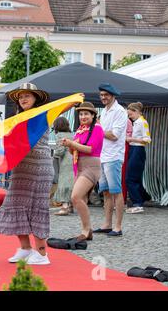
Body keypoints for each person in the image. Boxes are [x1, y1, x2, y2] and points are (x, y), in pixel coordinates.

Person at [0, 83, 53, 265]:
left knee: (36, 208)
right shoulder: (16, 118)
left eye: (28, 95)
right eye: (21, 97)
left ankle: (42, 254)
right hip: (21, 168)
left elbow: (22, 138)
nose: (24, 99)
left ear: (36, 98)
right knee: (15, 204)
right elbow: (11, 143)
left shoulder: (40, 115)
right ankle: (25, 248)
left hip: (39, 168)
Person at [61, 103, 104, 241]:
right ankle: (86, 230)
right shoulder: (81, 129)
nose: (83, 116)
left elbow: (90, 149)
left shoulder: (97, 128)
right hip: (79, 166)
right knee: (82, 199)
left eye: (86, 114)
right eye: (80, 114)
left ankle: (86, 230)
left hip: (91, 166)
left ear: (93, 115)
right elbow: (74, 150)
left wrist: (72, 144)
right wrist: (68, 145)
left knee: (75, 197)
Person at [94, 83, 128, 237]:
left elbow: (114, 135)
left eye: (106, 95)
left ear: (113, 95)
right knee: (106, 192)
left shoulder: (120, 111)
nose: (103, 97)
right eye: (101, 95)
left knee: (116, 192)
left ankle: (118, 227)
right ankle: (107, 224)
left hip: (113, 157)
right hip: (103, 156)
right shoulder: (105, 111)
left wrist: (99, 129)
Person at [125, 102, 151, 214]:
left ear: (136, 112)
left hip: (138, 150)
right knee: (136, 177)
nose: (129, 117)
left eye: (130, 115)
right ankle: (144, 197)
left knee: (130, 178)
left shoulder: (142, 122)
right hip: (134, 150)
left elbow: (147, 139)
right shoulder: (137, 122)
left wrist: (131, 139)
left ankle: (137, 203)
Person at [53, 117, 75, 216]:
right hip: (74, 160)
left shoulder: (59, 135)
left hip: (65, 162)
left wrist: (53, 154)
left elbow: (60, 151)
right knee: (72, 183)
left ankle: (64, 206)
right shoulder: (73, 134)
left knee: (63, 183)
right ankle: (71, 206)